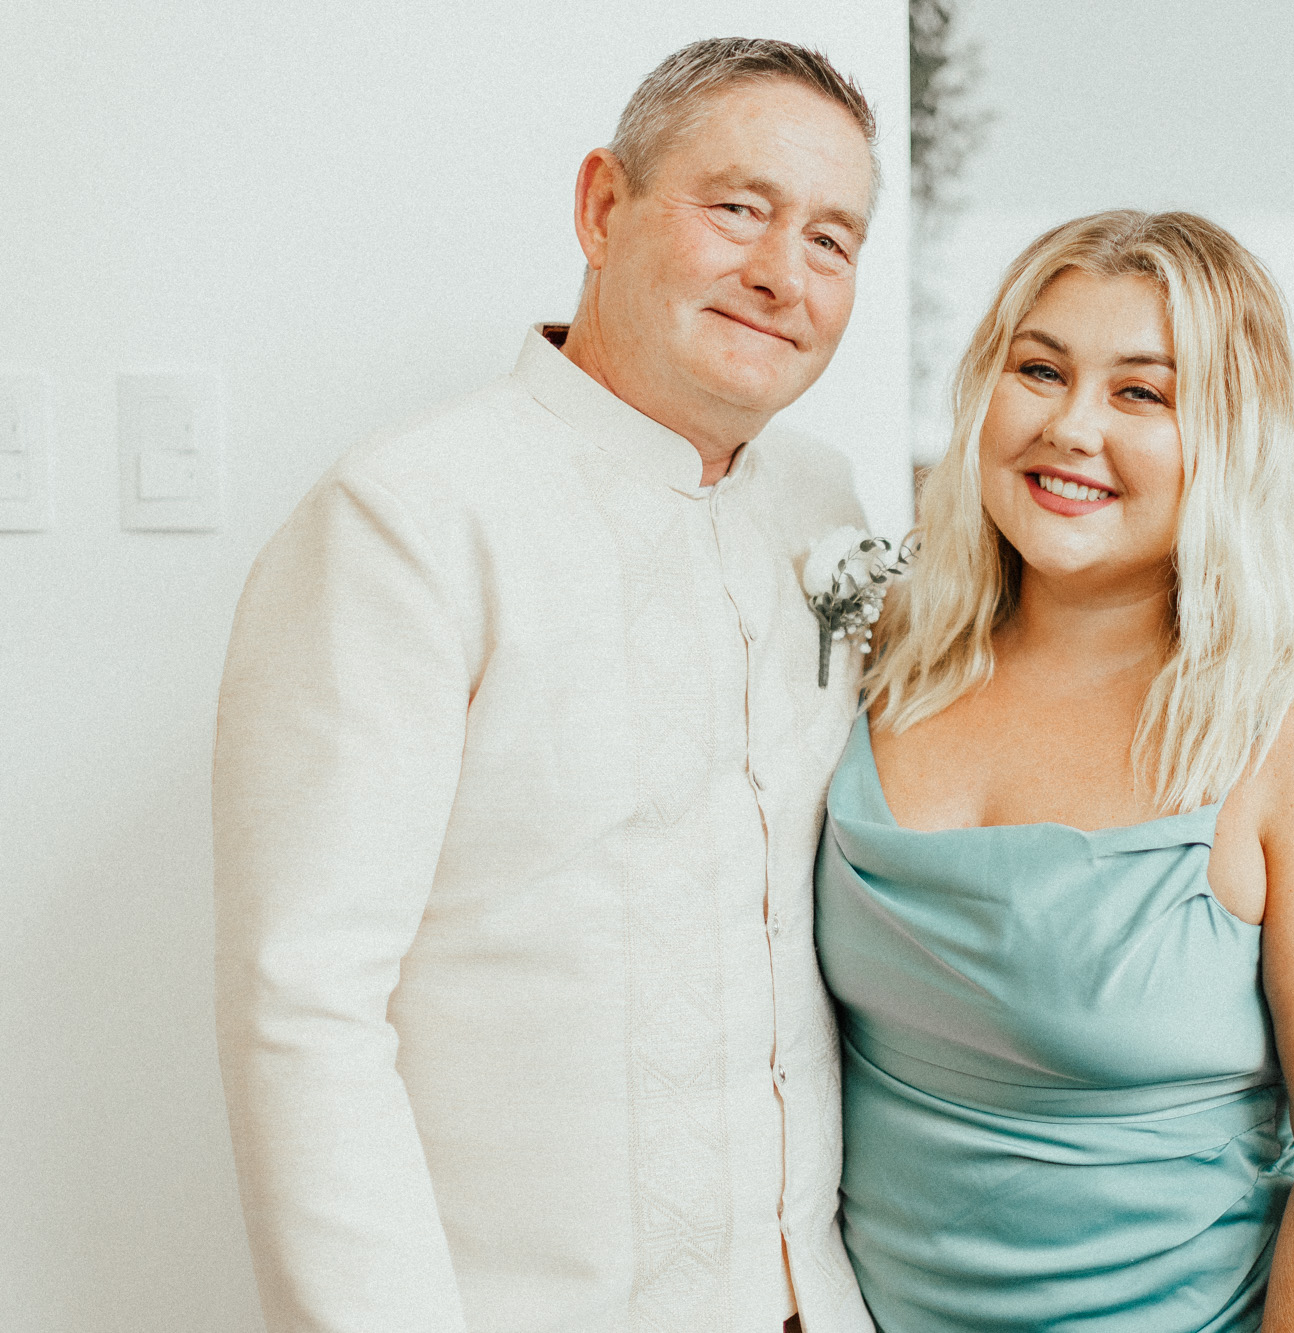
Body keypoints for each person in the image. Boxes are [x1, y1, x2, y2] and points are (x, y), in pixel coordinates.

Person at [213, 39, 883, 1333]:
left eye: (829, 240)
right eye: (737, 207)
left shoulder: (824, 503)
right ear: (601, 206)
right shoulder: (408, 517)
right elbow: (304, 1005)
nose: (780, 273)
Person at [815, 210, 1294, 1331]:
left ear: (1232, 436)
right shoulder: (883, 657)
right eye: (1039, 370)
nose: (1070, 427)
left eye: (1141, 393)